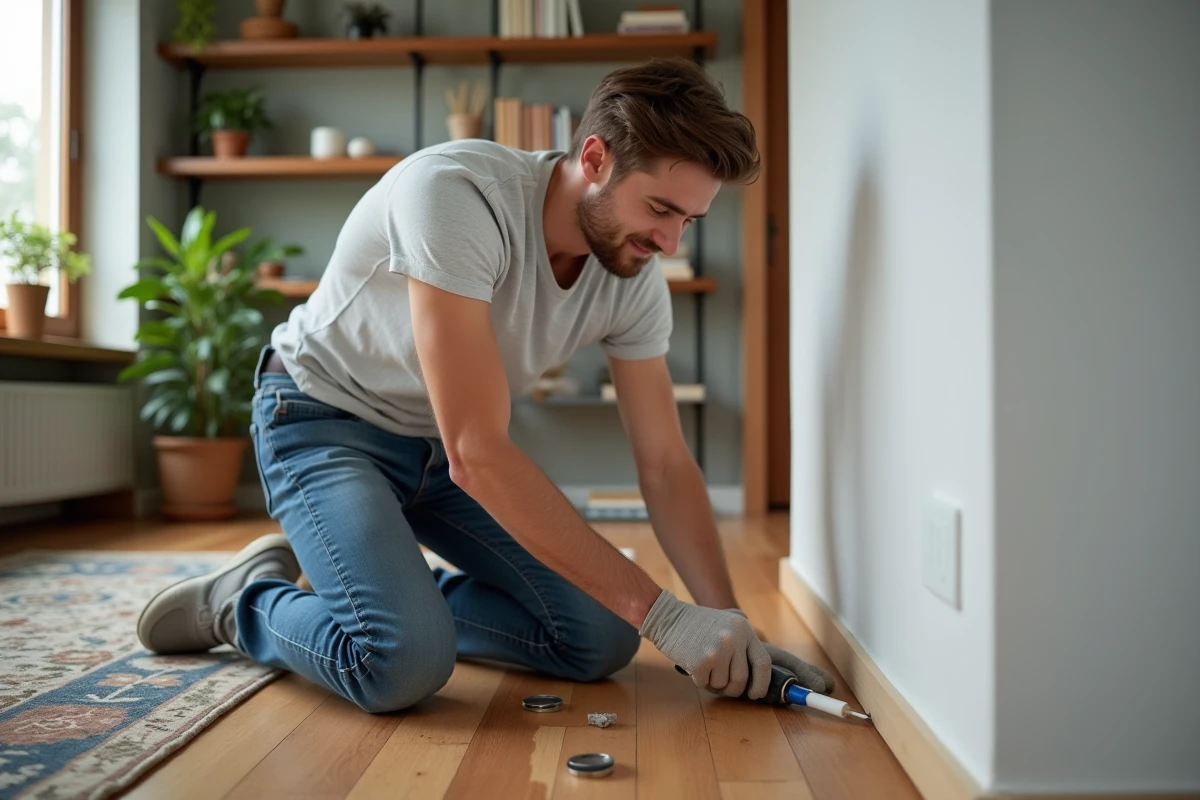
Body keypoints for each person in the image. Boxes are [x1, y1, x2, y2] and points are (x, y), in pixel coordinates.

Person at [136, 57, 834, 713]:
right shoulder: (457, 196)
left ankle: (387, 591)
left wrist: (726, 627)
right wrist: (666, 615)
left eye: (689, 219)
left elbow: (665, 462)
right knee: (401, 664)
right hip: (321, 421)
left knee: (601, 637)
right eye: (659, 209)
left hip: (431, 450)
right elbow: (477, 449)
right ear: (595, 158)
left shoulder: (633, 278)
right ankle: (242, 600)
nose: (671, 242)